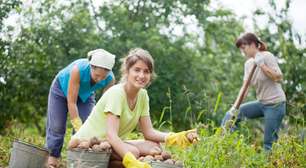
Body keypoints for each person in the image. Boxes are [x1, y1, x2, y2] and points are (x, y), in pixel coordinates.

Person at [70, 48, 199, 168]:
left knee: (154, 148)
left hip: (109, 144)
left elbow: (149, 132)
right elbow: (111, 136)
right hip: (87, 145)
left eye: (146, 71)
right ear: (127, 71)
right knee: (133, 152)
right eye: (137, 70)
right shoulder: (117, 93)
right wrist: (130, 160)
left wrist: (176, 137)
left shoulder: (143, 95)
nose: (141, 75)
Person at [45, 49, 116, 167]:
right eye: (97, 75)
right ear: (91, 67)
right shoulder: (78, 70)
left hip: (86, 95)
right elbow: (71, 102)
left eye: (103, 77)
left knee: (87, 123)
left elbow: (105, 106)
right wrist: (79, 129)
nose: (100, 79)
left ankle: (77, 160)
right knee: (57, 125)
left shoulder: (110, 79)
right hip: (61, 90)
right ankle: (53, 157)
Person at [221, 33, 286, 151]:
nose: (242, 52)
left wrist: (262, 65)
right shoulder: (248, 64)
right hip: (261, 104)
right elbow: (245, 88)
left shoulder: (267, 56)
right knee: (229, 117)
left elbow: (278, 78)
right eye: (240, 49)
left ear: (252, 45)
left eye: (243, 48)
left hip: (275, 105)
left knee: (269, 143)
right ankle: (230, 149)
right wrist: (235, 107)